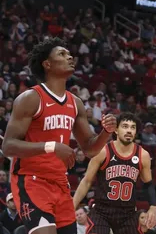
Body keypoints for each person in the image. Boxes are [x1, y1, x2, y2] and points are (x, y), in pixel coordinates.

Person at [2, 38, 117, 234]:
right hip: (31, 180)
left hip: (60, 182)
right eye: (62, 54)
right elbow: (8, 146)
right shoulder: (30, 98)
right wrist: (50, 146)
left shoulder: (76, 102)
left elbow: (90, 149)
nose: (70, 56)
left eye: (69, 53)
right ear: (47, 64)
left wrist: (106, 132)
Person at [72, 112, 156, 234]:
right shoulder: (103, 151)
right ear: (116, 130)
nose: (129, 130)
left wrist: (153, 207)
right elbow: (87, 181)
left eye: (132, 127)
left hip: (128, 213)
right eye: (125, 126)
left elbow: (148, 184)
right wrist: (73, 205)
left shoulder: (143, 155)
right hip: (102, 210)